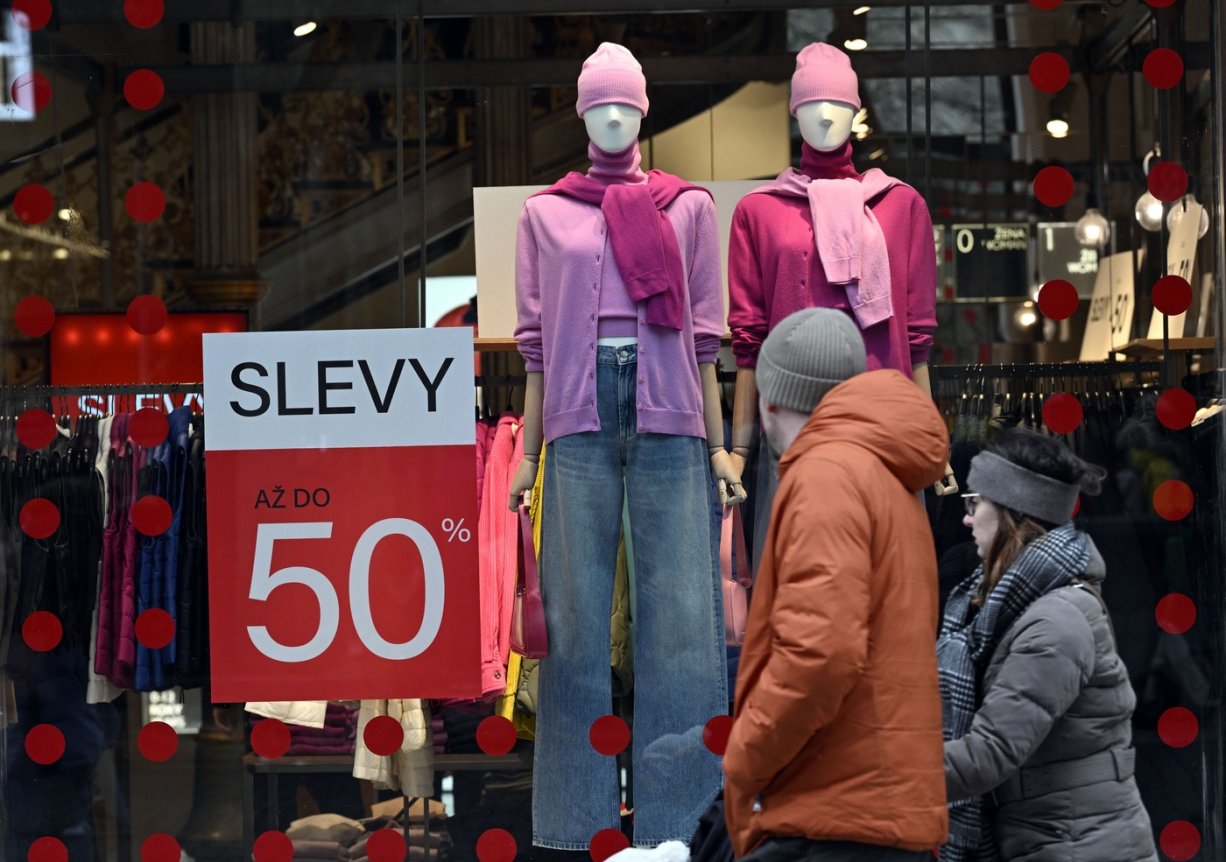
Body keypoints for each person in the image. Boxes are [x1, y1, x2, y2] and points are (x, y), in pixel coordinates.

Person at [723, 307, 950, 862]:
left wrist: (742, 760)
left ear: (772, 400)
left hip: (832, 816)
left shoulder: (825, 475)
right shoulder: (882, 470)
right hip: (874, 806)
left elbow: (819, 654)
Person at [938, 428, 1157, 861]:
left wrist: (876, 770)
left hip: (1079, 845)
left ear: (1012, 513)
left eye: (975, 502)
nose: (966, 518)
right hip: (1057, 836)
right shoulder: (1009, 604)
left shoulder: (1056, 621)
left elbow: (989, 753)